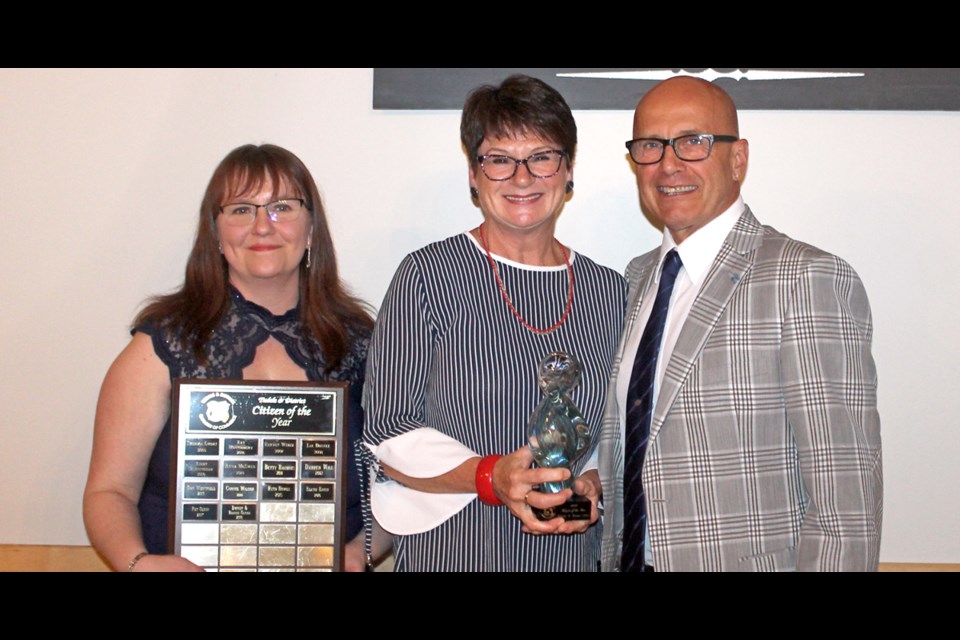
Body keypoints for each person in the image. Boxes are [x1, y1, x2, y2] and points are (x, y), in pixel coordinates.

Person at [598, 77, 882, 572]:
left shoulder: (803, 278)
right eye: (650, 145)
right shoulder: (636, 278)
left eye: (693, 141)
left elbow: (846, 502)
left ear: (738, 158)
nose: (668, 164)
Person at [363, 74, 627, 571]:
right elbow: (388, 430)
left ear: (568, 171)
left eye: (542, 157)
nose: (522, 178)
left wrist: (592, 486)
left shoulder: (611, 292)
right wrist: (491, 477)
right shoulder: (428, 275)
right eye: (499, 159)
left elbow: (612, 434)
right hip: (454, 549)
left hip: (567, 553)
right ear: (473, 174)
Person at [83, 144, 379, 571]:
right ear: (216, 233)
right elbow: (108, 492)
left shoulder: (364, 344)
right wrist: (140, 564)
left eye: (282, 207)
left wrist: (361, 551)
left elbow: (399, 482)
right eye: (241, 210)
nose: (262, 226)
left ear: (312, 228)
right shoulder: (161, 346)